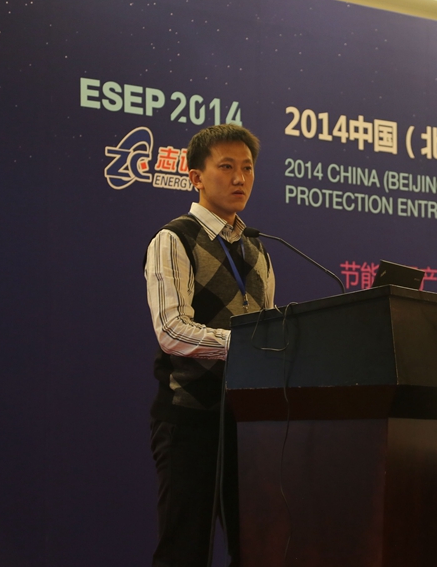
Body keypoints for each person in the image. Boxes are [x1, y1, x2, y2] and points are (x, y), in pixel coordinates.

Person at [144, 123, 275, 567]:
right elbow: (171, 329)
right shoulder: (174, 239)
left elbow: (266, 328)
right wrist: (243, 344)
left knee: (256, 549)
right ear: (196, 176)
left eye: (248, 168)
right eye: (226, 167)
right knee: (184, 550)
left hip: (249, 423)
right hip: (189, 420)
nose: (240, 178)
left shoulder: (259, 250)